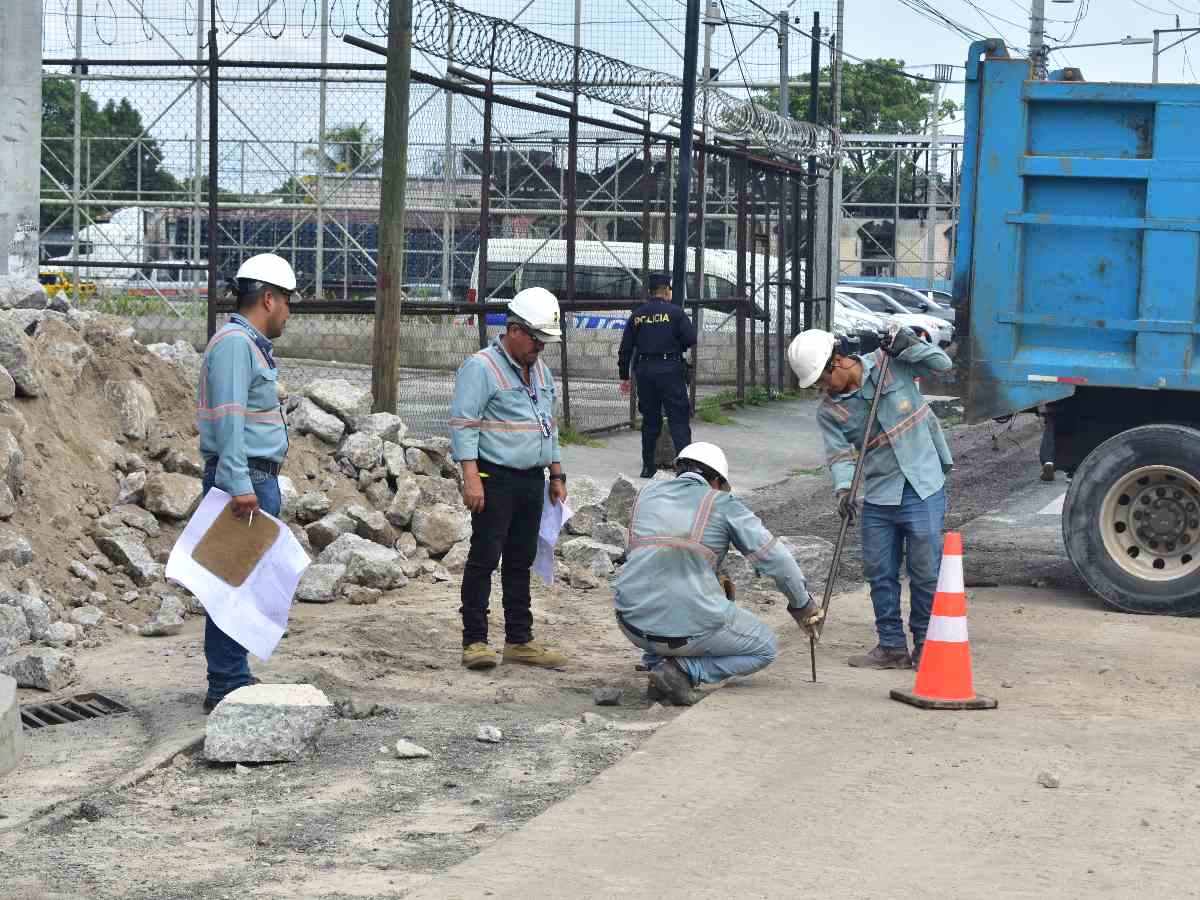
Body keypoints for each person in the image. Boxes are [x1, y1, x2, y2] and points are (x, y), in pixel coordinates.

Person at [787, 327, 953, 671]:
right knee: (879, 572)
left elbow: (942, 363)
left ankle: (926, 644)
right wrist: (844, 490)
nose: (823, 388)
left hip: (922, 483)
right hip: (879, 492)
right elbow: (839, 456)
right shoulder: (829, 411)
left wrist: (911, 344)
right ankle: (892, 646)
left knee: (925, 572)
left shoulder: (889, 362)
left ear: (838, 361)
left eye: (823, 379)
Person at [612, 441, 825, 705]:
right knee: (765, 647)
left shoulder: (647, 494)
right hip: (682, 631)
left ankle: (656, 662)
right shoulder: (722, 503)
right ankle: (682, 671)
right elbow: (778, 561)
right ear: (715, 481)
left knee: (684, 580)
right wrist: (803, 605)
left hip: (631, 624)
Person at [450, 286, 570, 672]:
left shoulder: (541, 371)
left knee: (521, 560)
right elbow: (464, 425)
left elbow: (549, 425)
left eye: (545, 341)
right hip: (494, 477)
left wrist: (556, 473)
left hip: (532, 479)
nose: (541, 348)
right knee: (484, 558)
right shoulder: (481, 367)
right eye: (536, 339)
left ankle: (519, 639)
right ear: (514, 330)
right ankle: (475, 641)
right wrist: (471, 478)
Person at [197, 253, 294, 713]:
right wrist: (238, 483)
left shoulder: (245, 344)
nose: (289, 312)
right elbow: (230, 420)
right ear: (269, 299)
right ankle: (227, 683)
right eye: (287, 302)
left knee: (241, 581)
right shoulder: (236, 344)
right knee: (231, 583)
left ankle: (233, 674)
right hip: (246, 478)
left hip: (253, 476)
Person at [617, 272, 698, 479]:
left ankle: (648, 466)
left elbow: (625, 348)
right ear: (667, 291)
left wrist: (624, 376)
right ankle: (685, 468)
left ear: (650, 292)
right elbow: (690, 338)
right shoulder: (676, 313)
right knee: (678, 419)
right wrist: (673, 344)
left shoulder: (638, 315)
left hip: (645, 372)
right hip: (670, 369)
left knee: (650, 421)